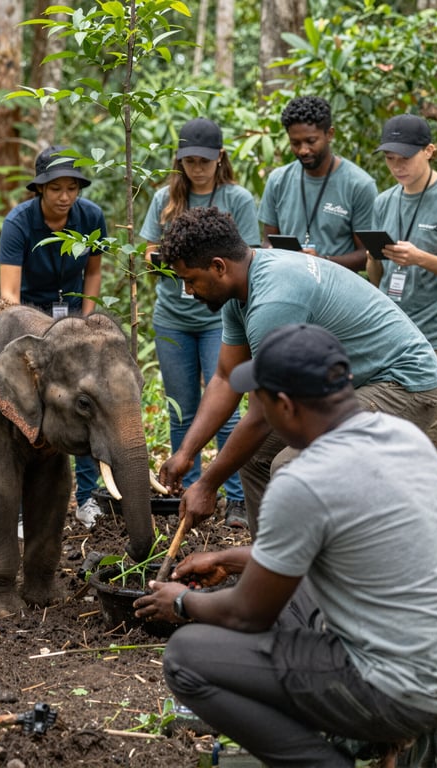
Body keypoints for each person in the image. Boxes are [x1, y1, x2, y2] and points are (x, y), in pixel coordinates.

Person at [133, 324, 437, 767]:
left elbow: (248, 614)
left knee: (187, 657)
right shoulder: (406, 439)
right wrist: (232, 559)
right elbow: (353, 549)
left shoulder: (305, 479)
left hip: (393, 690)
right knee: (291, 599)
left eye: (257, 400)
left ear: (284, 406)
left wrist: (182, 603)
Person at [156, 206, 437, 535]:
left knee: (291, 465)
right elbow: (224, 378)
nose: (189, 291)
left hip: (403, 384)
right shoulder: (241, 289)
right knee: (255, 457)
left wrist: (207, 486)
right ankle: (268, 567)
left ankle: (309, 571)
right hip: (351, 385)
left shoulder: (273, 301)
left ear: (218, 267)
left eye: (190, 280)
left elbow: (263, 414)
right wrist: (186, 452)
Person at [140, 117, 259, 528]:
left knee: (225, 405)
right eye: (189, 161)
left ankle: (236, 497)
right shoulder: (165, 199)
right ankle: (185, 490)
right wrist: (161, 262)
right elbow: (148, 250)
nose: (197, 168)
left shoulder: (237, 198)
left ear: (219, 157)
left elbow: (249, 254)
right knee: (182, 409)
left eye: (204, 160)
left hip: (219, 318)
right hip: (173, 317)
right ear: (179, 161)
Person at [0, 145, 107, 529]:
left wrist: (87, 321)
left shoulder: (91, 217)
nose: (64, 197)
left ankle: (87, 499)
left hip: (75, 319)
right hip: (31, 325)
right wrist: (39, 335)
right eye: (56, 189)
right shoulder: (19, 224)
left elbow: (92, 273)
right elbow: (8, 294)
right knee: (30, 415)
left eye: (72, 189)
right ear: (40, 190)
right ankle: (25, 509)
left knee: (87, 405)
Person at [366, 114, 437, 440]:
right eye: (390, 158)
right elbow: (377, 274)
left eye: (406, 158)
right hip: (394, 338)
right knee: (394, 438)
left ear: (430, 150)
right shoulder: (384, 201)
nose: (398, 166)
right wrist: (376, 256)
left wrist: (420, 258)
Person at [259, 95, 377, 271]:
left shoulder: (359, 185)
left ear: (329, 134)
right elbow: (268, 240)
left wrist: (322, 261)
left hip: (338, 288)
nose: (303, 150)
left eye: (311, 141)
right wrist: (273, 252)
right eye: (295, 143)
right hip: (289, 282)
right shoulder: (278, 180)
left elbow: (367, 253)